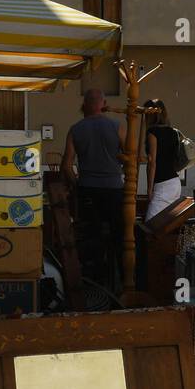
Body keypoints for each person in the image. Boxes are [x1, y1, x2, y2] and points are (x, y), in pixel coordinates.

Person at [62, 88, 126, 286]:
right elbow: (130, 156)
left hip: (88, 189)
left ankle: (94, 282)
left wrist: (77, 184)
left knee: (91, 238)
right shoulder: (117, 126)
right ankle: (122, 279)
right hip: (114, 189)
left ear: (85, 106)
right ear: (103, 104)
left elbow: (66, 165)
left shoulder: (75, 129)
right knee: (118, 235)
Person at [143, 99, 181, 221]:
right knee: (166, 223)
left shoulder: (153, 133)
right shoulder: (173, 132)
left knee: (151, 222)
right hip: (175, 182)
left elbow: (152, 163)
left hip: (162, 184)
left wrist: (149, 189)